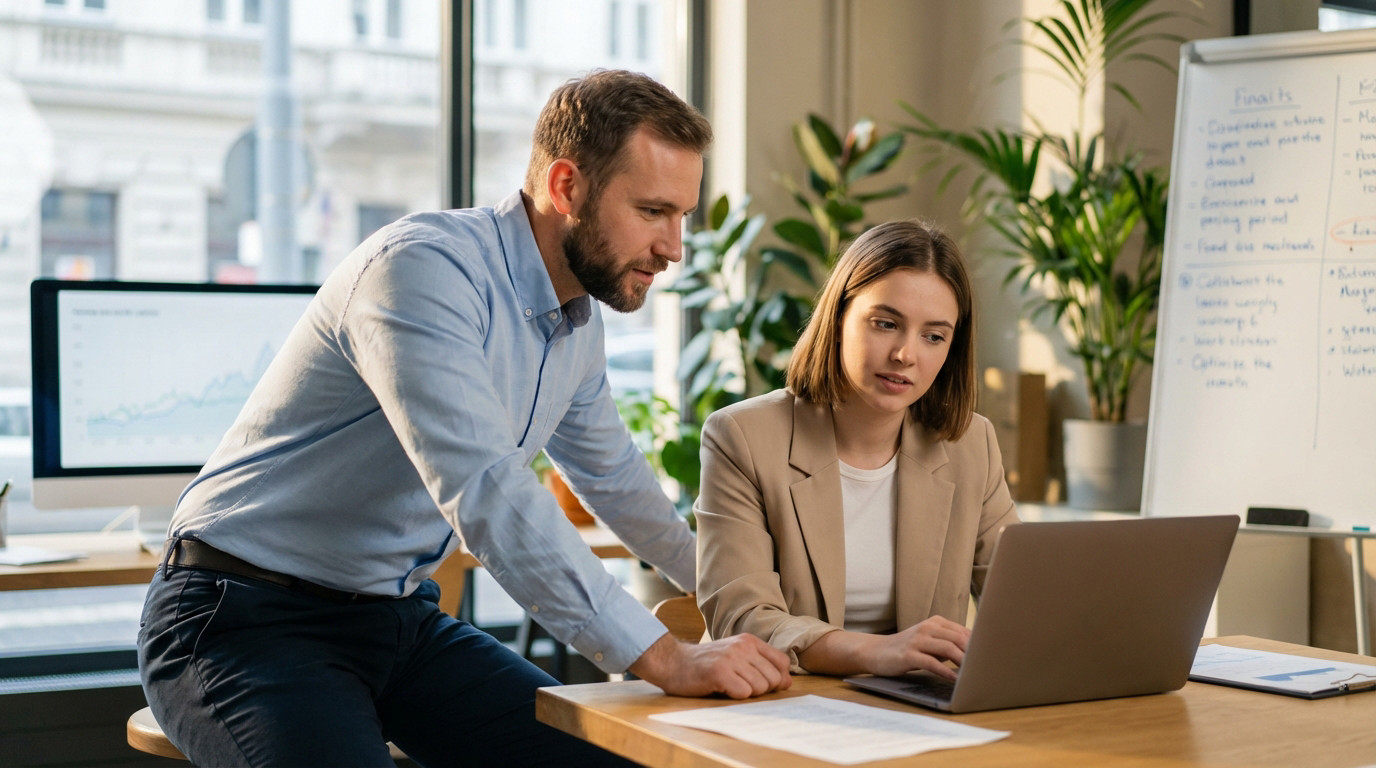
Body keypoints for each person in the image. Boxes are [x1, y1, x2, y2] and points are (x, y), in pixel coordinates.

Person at [137, 69, 791, 768]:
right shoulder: (422, 271)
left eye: (682, 216)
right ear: (567, 187)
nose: (674, 247)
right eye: (654, 211)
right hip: (240, 617)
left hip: (397, 620)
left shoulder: (577, 318)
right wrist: (663, 657)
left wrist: (743, 591)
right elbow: (487, 491)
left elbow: (615, 479)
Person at [694, 220, 1020, 680]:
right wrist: (877, 652)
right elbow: (742, 616)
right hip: (777, 704)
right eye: (886, 324)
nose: (906, 354)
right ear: (839, 317)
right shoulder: (741, 437)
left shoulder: (972, 445)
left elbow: (1020, 603)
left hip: (918, 715)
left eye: (933, 335)